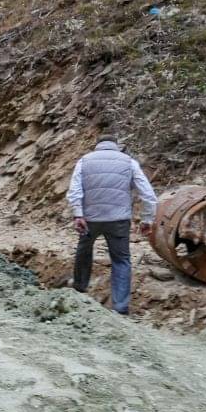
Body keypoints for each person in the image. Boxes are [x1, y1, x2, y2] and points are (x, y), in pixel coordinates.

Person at [66, 135, 158, 316]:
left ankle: (79, 289)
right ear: (116, 146)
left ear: (98, 146)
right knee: (121, 260)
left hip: (90, 219)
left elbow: (75, 190)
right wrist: (147, 219)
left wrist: (78, 214)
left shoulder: (84, 161)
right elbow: (148, 194)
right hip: (119, 220)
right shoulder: (129, 162)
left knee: (84, 251)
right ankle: (120, 306)